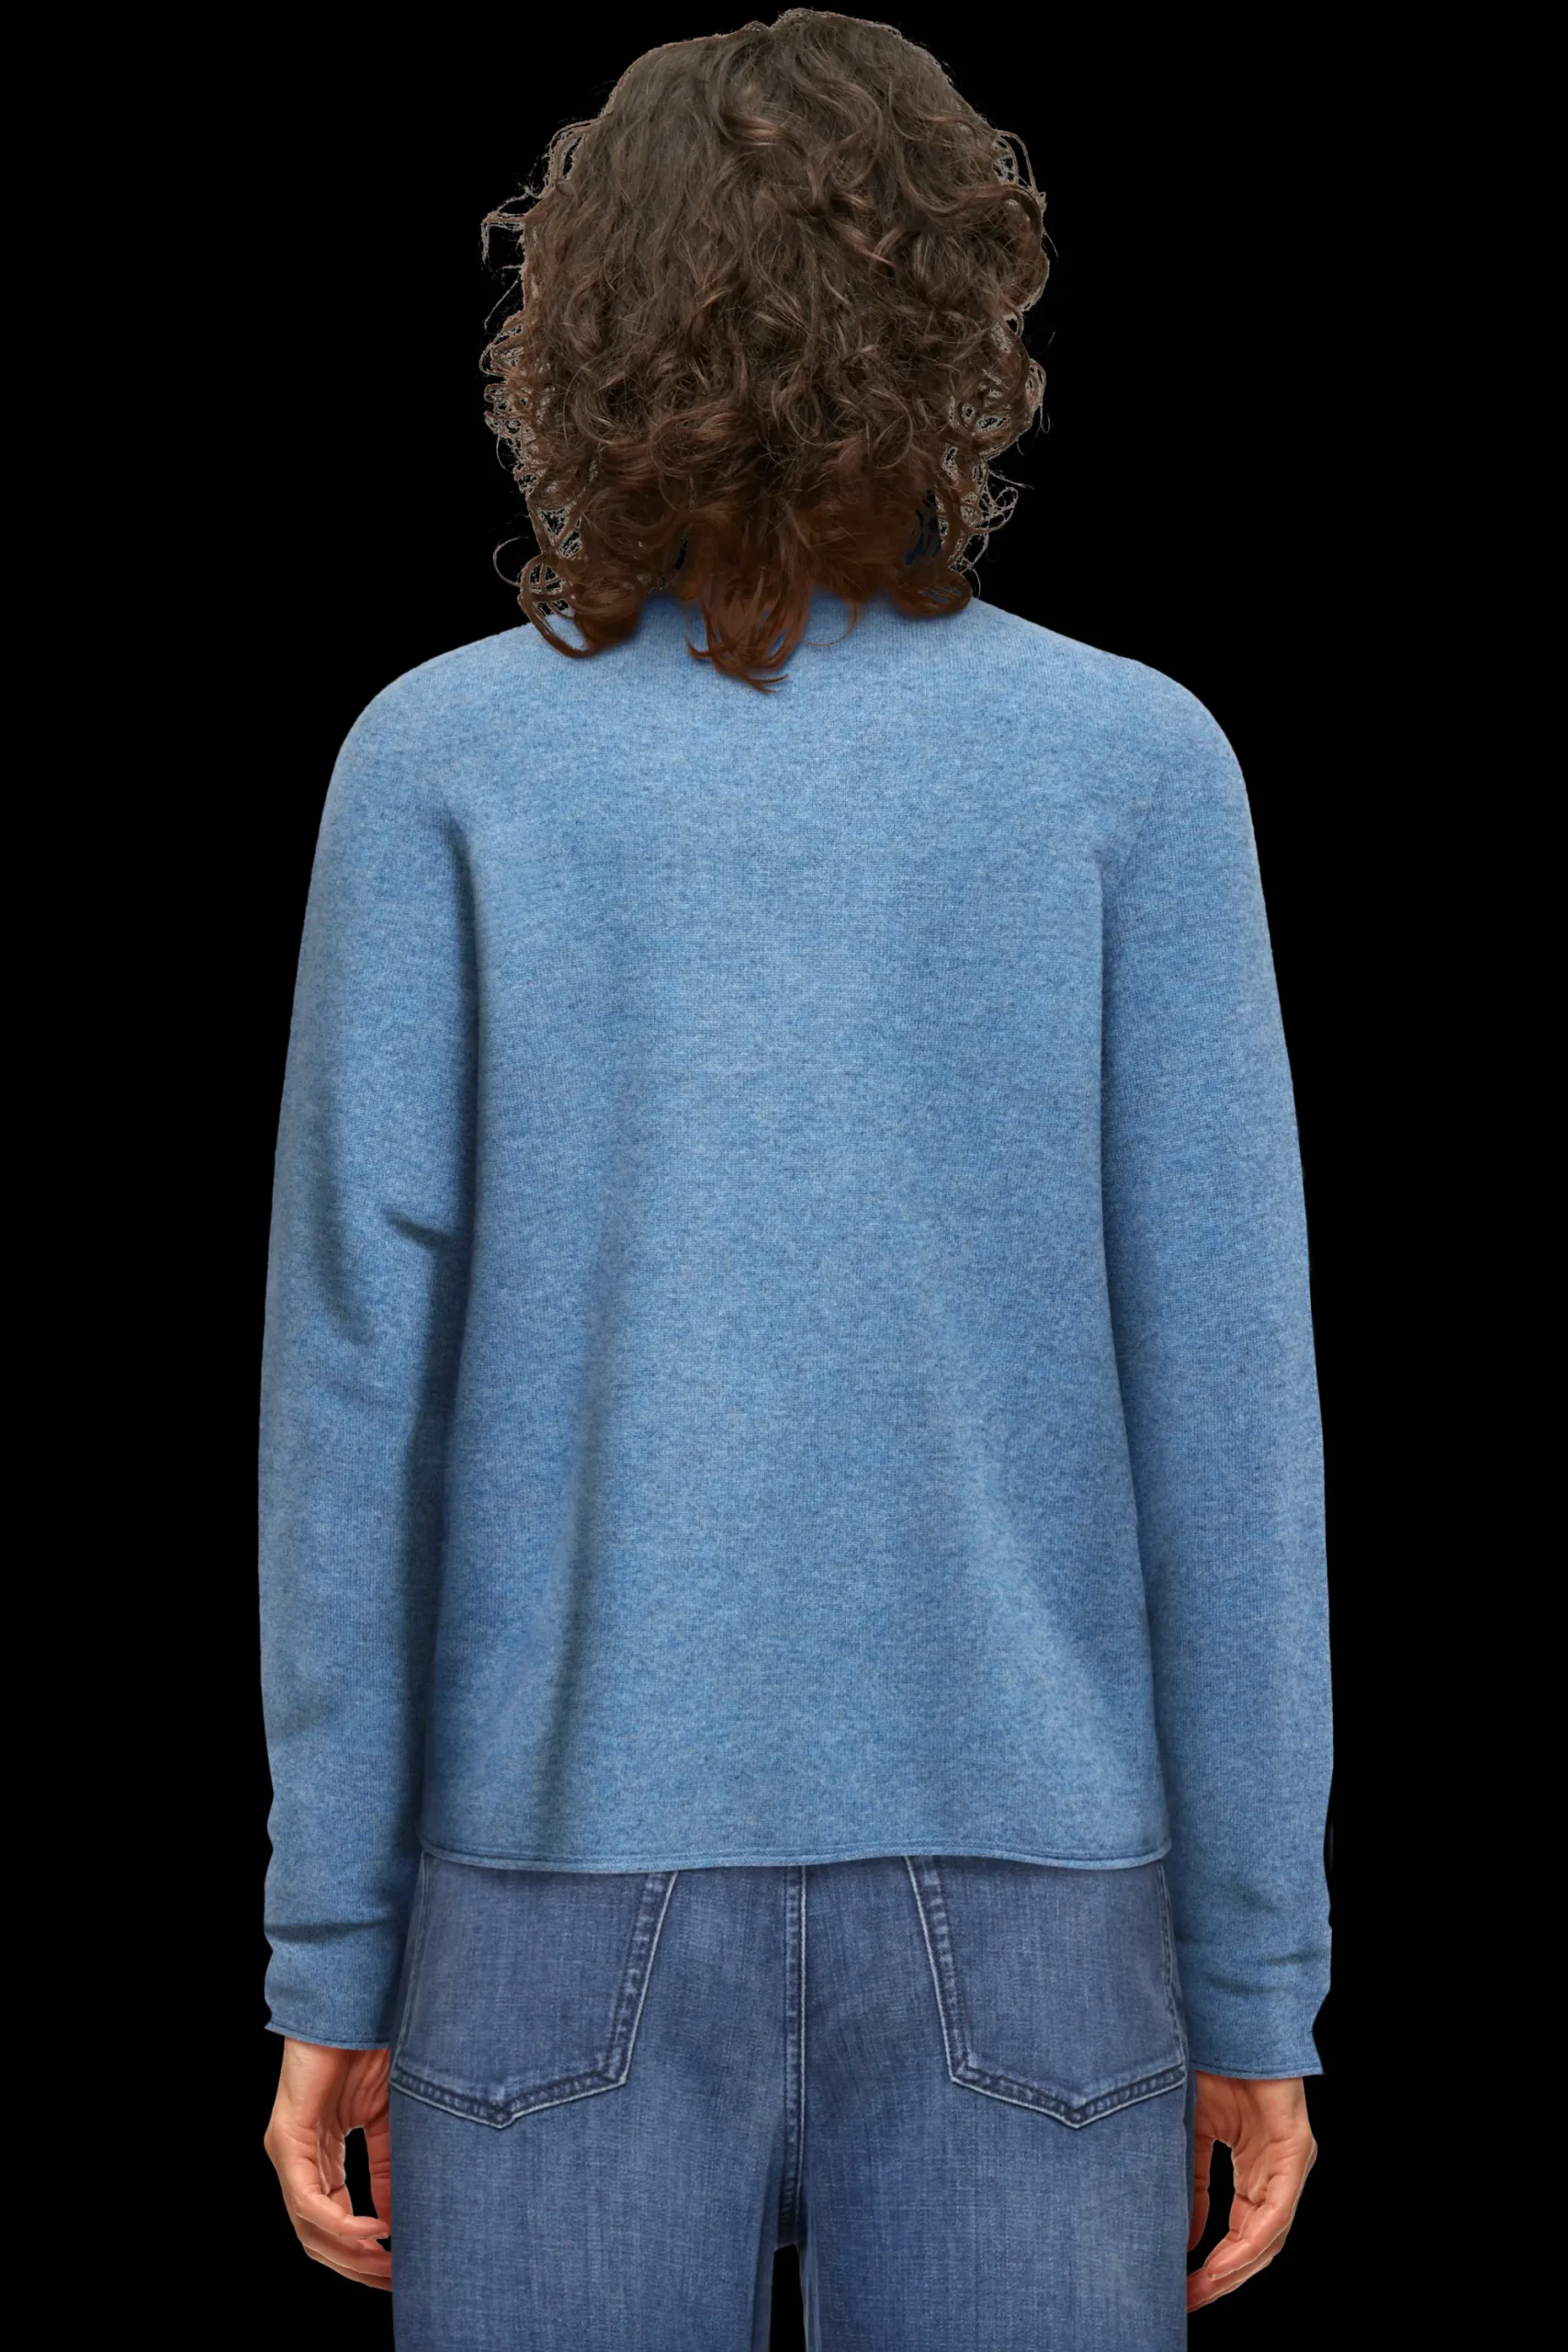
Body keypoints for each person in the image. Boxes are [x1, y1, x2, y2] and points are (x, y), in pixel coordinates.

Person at [258, 13, 1329, 2346]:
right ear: (959, 327)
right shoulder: (1131, 768)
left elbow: (353, 1406)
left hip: (544, 1890)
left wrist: (332, 1953)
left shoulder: (443, 765)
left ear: (582, 335)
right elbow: (1228, 1420)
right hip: (1042, 1903)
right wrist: (1259, 1977)